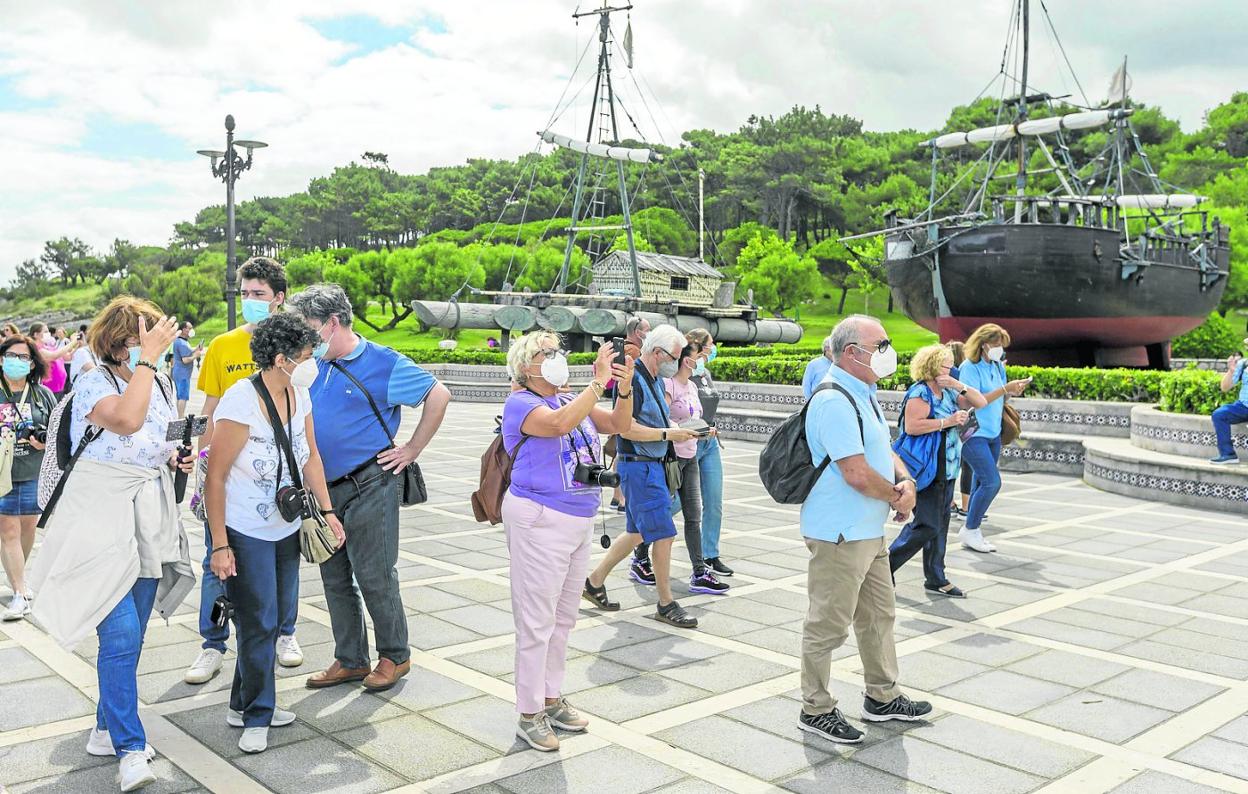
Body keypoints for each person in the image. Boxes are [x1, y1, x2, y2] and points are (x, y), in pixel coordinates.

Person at [27, 297, 193, 792]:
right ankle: (129, 746)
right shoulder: (92, 382)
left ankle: (104, 727)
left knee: (134, 633)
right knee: (119, 635)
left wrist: (176, 457)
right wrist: (147, 360)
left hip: (147, 511)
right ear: (121, 340)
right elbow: (125, 421)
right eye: (143, 339)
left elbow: (154, 436)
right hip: (100, 513)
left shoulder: (158, 381)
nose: (155, 349)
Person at [289, 284, 451, 692]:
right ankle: (350, 658)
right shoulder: (313, 363)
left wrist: (412, 449)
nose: (304, 340)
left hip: (371, 482)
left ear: (332, 323)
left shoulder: (384, 362)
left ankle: (395, 655)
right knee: (334, 574)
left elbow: (439, 395)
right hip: (323, 489)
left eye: (308, 329)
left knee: (375, 573)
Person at [205, 313, 344, 754]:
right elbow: (216, 476)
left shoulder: (299, 394)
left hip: (287, 523)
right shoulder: (240, 402)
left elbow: (311, 458)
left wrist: (327, 510)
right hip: (245, 528)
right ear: (280, 359)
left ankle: (240, 703)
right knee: (258, 620)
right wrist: (221, 544)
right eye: (305, 355)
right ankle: (258, 714)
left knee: (277, 614)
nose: (312, 362)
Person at [797, 314, 932, 746]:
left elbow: (883, 450)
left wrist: (905, 479)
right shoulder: (834, 400)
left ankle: (883, 696)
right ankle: (815, 708)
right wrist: (897, 496)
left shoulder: (864, 391)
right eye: (882, 344)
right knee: (828, 624)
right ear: (853, 352)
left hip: (867, 530)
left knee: (877, 616)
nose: (889, 351)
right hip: (840, 532)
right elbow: (855, 472)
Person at [501, 332, 634, 751]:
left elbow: (619, 424)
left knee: (563, 619)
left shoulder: (567, 399)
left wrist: (623, 386)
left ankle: (551, 696)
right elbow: (556, 427)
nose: (556, 358)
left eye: (557, 351)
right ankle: (529, 711)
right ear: (525, 366)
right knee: (536, 620)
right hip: (539, 519)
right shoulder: (521, 403)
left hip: (578, 520)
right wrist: (597, 384)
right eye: (546, 353)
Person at [185, 256, 303, 685]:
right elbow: (209, 409)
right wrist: (200, 465)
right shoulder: (222, 345)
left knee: (285, 562)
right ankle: (212, 643)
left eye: (260, 294)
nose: (251, 301)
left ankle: (284, 633)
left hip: (277, 480)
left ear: (279, 299)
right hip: (226, 477)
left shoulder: (295, 346)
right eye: (246, 294)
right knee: (216, 559)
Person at [582, 324, 701, 629]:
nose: (676, 363)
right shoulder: (632, 380)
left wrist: (685, 427)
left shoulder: (652, 380)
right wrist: (668, 433)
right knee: (664, 534)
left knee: (636, 533)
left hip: (651, 465)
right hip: (641, 466)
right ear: (658, 353)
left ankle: (594, 582)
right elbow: (625, 427)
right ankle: (665, 602)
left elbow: (656, 420)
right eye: (674, 357)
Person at [629, 333, 729, 595]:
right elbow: (663, 420)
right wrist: (679, 430)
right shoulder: (667, 385)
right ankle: (640, 555)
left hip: (691, 455)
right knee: (664, 511)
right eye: (697, 357)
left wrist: (704, 430)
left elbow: (695, 416)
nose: (701, 361)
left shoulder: (693, 387)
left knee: (693, 515)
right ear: (685, 361)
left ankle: (699, 571)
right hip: (671, 458)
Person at [888, 344, 986, 599]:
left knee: (940, 524)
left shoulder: (949, 392)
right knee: (928, 524)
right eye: (946, 365)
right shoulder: (921, 393)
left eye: (952, 364)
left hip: (948, 466)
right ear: (932, 366)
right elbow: (912, 427)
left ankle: (936, 577)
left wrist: (958, 385)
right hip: (925, 468)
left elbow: (981, 402)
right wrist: (948, 422)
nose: (950, 368)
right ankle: (884, 566)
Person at [955, 324, 1030, 553]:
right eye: (997, 345)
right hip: (972, 431)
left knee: (981, 481)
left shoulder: (998, 366)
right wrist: (1003, 388)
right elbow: (978, 400)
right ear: (984, 344)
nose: (1000, 350)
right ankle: (971, 528)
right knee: (992, 482)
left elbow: (999, 398)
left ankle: (972, 529)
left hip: (992, 432)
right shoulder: (969, 367)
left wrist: (1012, 390)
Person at [0, 336, 56, 621]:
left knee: (26, 528)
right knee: (7, 530)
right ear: (1, 359)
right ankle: (20, 592)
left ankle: (15, 576)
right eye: (12, 355)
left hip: (33, 470)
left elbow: (58, 432)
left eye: (24, 358)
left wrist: (44, 443)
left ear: (33, 363)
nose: (17, 361)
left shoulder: (41, 394)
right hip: (2, 473)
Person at [685, 328, 733, 577]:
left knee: (714, 501)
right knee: (676, 502)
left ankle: (710, 554)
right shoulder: (680, 376)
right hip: (691, 443)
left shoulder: (706, 374)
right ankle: (642, 539)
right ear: (699, 347)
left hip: (710, 443)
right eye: (711, 345)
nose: (714, 349)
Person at [608, 316, 651, 513]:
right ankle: (623, 496)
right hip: (629, 400)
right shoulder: (633, 352)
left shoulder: (614, 349)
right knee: (625, 450)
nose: (649, 334)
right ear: (637, 332)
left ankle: (617, 496)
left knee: (619, 450)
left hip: (617, 399)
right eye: (647, 330)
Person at [946, 341, 973, 519]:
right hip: (964, 422)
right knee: (966, 465)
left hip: (953, 423)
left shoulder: (949, 373)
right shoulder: (960, 373)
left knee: (953, 465)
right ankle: (965, 506)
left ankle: (950, 502)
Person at [1210, 342, 1248, 464]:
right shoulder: (1243, 364)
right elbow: (1225, 387)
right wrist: (1231, 371)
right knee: (1219, 414)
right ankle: (1228, 454)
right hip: (1243, 406)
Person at [30, 322, 76, 396]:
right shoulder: (37, 349)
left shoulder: (47, 346)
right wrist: (73, 342)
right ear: (36, 334)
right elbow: (54, 356)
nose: (48, 334)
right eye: (45, 331)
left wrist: (77, 345)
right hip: (50, 389)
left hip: (59, 388)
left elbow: (67, 357)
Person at [171, 321, 204, 417]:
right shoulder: (181, 343)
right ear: (184, 329)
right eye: (189, 328)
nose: (191, 330)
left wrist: (196, 349)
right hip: (183, 373)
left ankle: (179, 416)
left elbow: (188, 351)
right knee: (183, 396)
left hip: (180, 372)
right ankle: (180, 417)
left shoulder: (182, 341)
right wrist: (196, 355)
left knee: (180, 396)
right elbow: (185, 360)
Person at [802, 333, 836, 399]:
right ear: (826, 349)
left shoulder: (838, 364)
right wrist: (810, 403)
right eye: (834, 349)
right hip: (816, 401)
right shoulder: (813, 364)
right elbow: (806, 386)